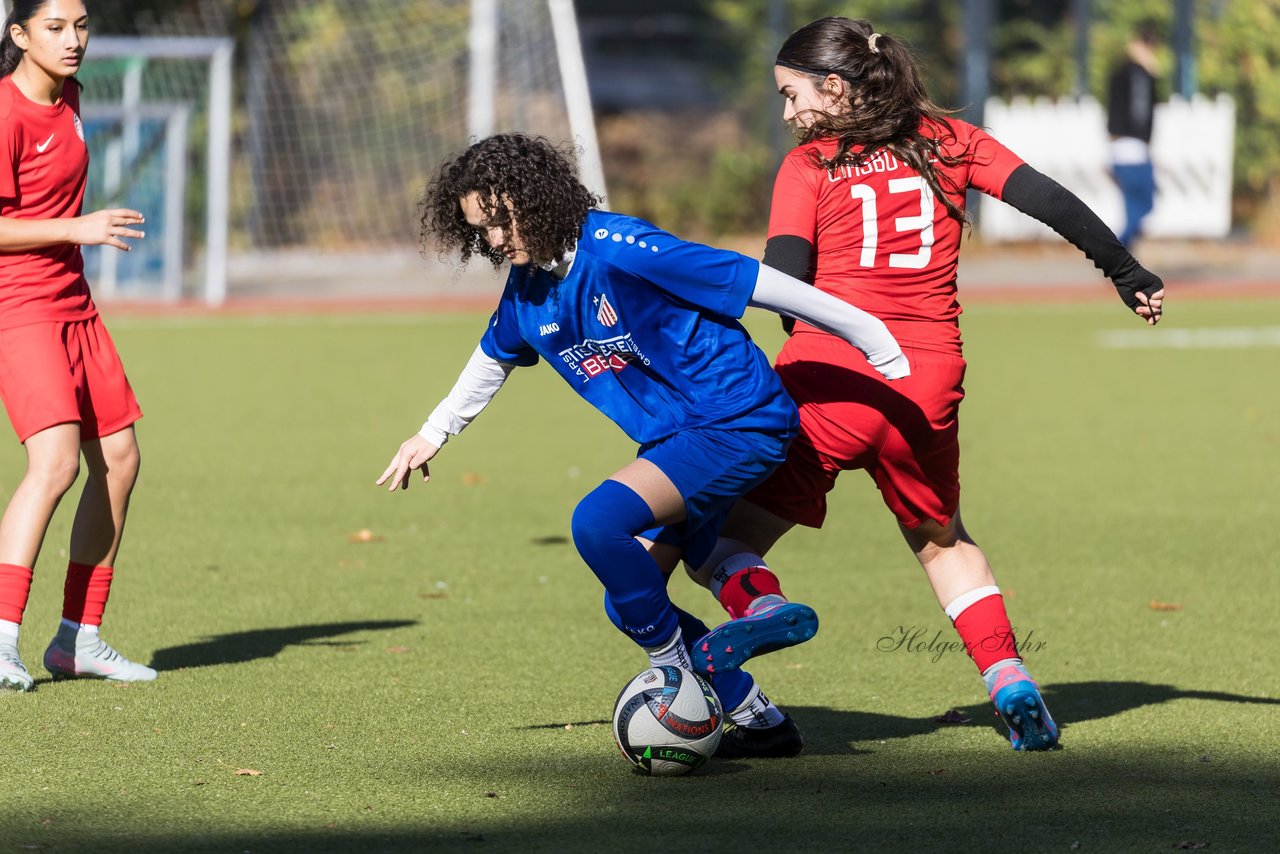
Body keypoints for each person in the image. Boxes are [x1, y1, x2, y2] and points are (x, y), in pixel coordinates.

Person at [686, 17, 1165, 752]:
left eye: (791, 95)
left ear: (835, 88)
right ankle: (1009, 682)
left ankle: (761, 609)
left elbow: (783, 284)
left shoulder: (810, 165)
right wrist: (1127, 274)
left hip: (828, 380)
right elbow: (1053, 201)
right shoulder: (953, 140)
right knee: (943, 541)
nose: (788, 114)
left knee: (713, 545)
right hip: (927, 382)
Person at [376, 132, 909, 757]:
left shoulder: (622, 246)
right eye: (481, 229)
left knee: (599, 523)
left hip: (737, 417)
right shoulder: (526, 291)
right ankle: (762, 705)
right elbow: (491, 358)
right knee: (633, 597)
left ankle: (674, 669)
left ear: (536, 196)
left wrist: (868, 333)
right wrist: (433, 431)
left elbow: (753, 281)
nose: (494, 240)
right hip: (681, 442)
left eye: (501, 220)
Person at [0, 0, 157, 691]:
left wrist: (76, 234)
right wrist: (76, 228)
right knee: (56, 463)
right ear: (19, 35)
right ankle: (2, 638)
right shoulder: (4, 112)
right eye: (56, 27)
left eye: (81, 25)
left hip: (74, 304)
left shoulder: (73, 97)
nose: (73, 40)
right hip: (17, 304)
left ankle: (77, 640)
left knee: (120, 460)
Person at [1106, 24, 1161, 248]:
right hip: (1132, 149)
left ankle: (1124, 258)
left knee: (1133, 208)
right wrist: (1151, 75)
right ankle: (1116, 251)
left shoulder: (1120, 72)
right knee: (1145, 203)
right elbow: (1140, 113)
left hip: (1124, 147)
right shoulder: (1139, 75)